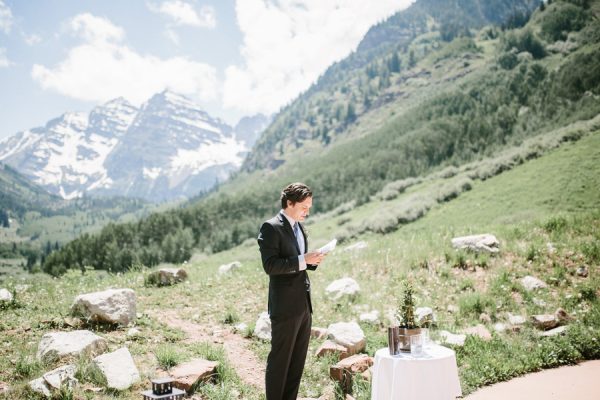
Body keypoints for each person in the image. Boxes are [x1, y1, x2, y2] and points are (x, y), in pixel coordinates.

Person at [257, 182, 326, 400]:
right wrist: (303, 260)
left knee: (297, 363)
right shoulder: (270, 227)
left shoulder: (299, 227)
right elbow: (271, 266)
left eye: (310, 207)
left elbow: (299, 261)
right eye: (304, 206)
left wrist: (312, 260)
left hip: (304, 306)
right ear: (289, 203)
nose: (308, 211)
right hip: (285, 307)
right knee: (280, 362)